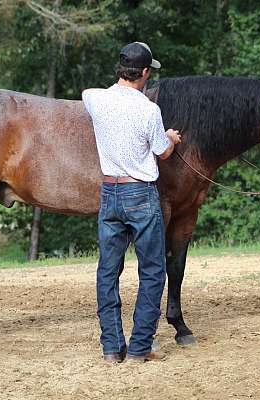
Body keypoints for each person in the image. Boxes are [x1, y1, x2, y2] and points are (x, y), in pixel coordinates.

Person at [82, 42, 181, 363]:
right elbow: (162, 152)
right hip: (140, 194)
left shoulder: (95, 99)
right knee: (152, 270)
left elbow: (85, 92)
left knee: (108, 272)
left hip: (109, 194)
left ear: (119, 69)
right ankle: (140, 347)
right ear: (146, 73)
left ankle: (112, 348)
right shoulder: (148, 110)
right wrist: (172, 138)